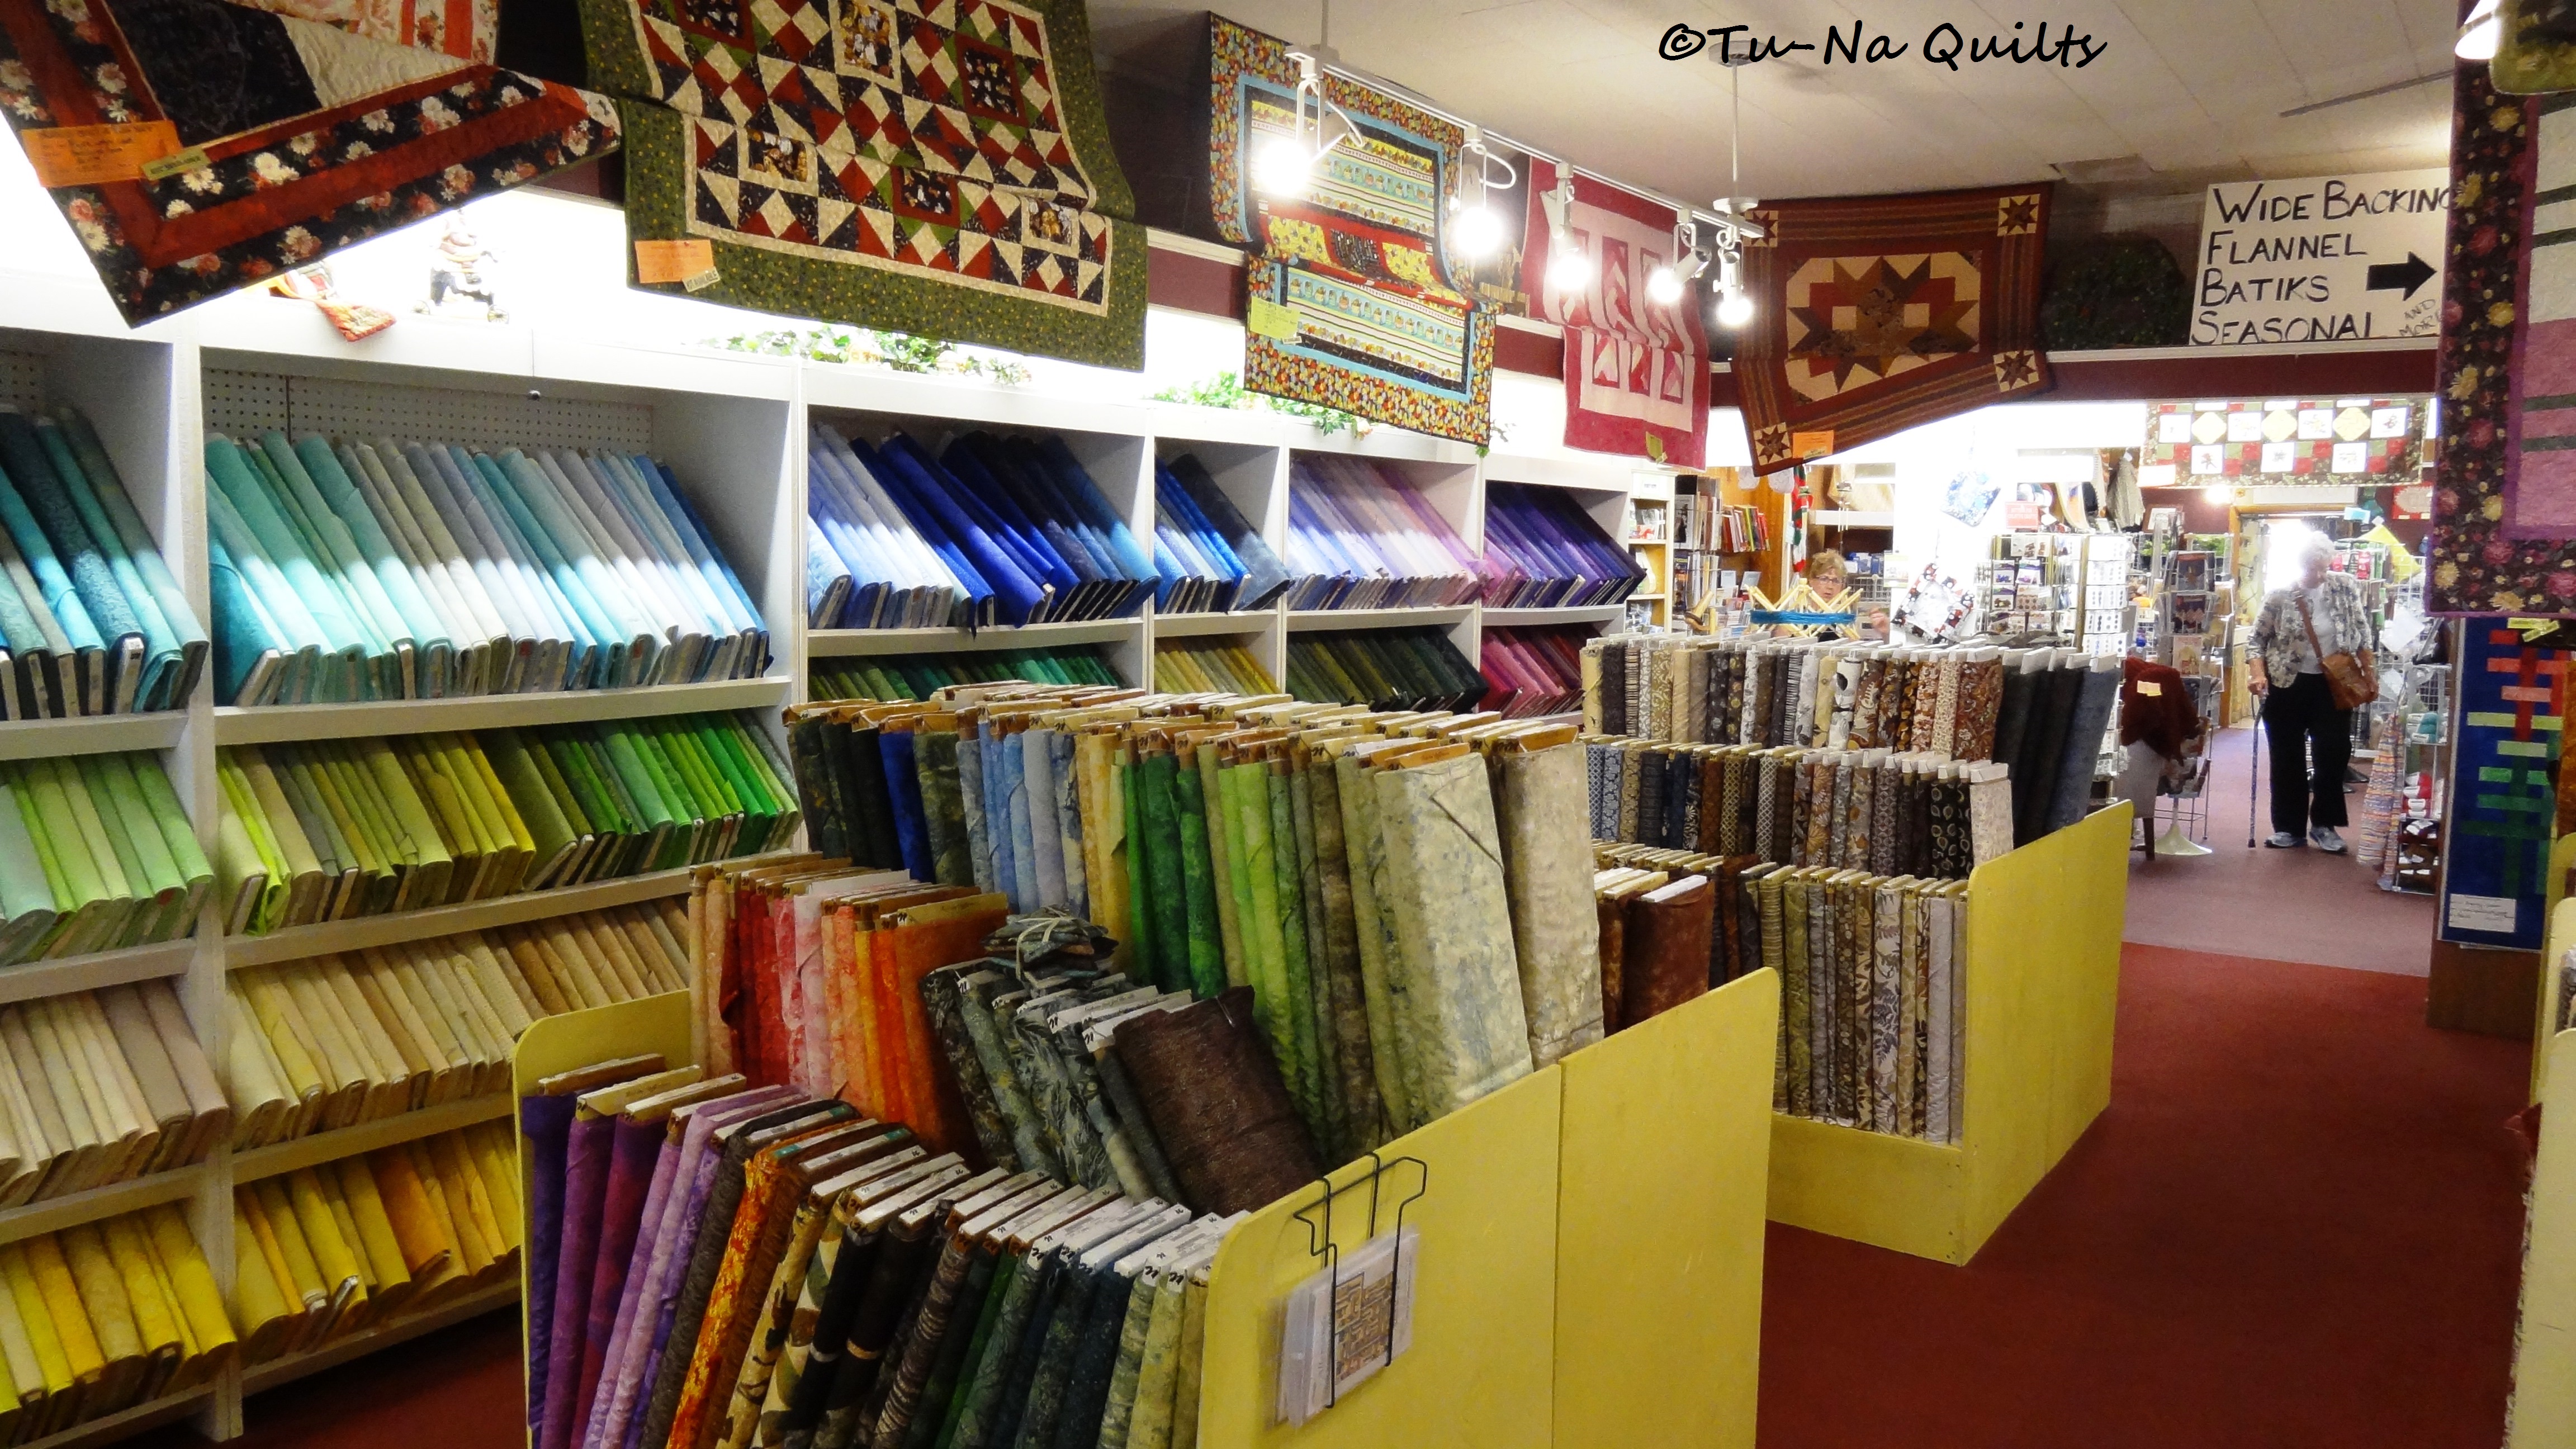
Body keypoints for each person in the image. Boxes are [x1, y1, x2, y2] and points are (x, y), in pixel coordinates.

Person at [2247, 536, 2376, 853]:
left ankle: (2325, 825)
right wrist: (2257, 674)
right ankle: (2288, 828)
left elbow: (2363, 634)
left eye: (2323, 568)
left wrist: (2370, 675)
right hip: (2286, 684)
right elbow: (2256, 641)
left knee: (2333, 753)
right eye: (2311, 568)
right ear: (2299, 564)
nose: (2318, 575)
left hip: (2333, 684)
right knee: (2286, 756)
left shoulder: (2345, 587)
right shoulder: (2279, 595)